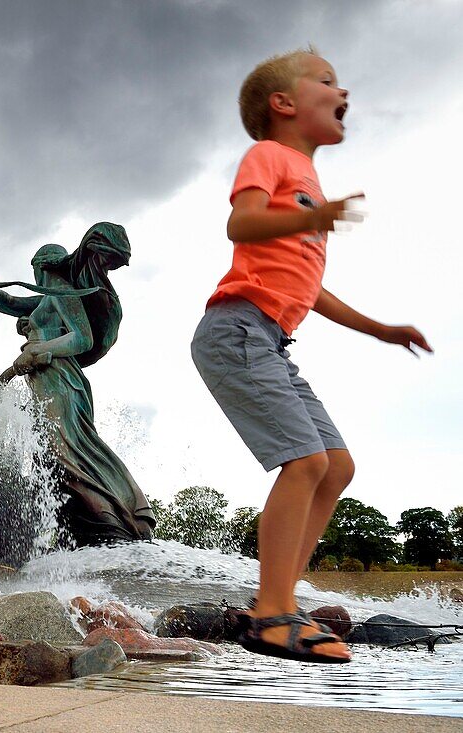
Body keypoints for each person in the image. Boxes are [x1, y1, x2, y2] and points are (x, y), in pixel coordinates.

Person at [190, 48, 432, 663]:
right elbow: (241, 225)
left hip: (270, 338)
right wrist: (316, 214)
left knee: (337, 465)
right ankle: (271, 616)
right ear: (284, 104)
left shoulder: (308, 181)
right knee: (304, 460)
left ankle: (279, 598)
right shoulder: (270, 157)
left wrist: (379, 329)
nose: (340, 89)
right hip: (236, 330)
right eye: (325, 79)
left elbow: (310, 290)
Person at [0, 222, 155, 544]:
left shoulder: (63, 290)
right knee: (51, 452)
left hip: (61, 379)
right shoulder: (49, 297)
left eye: (36, 270)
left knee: (64, 449)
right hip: (45, 377)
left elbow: (82, 339)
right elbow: (15, 305)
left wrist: (41, 350)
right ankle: (77, 527)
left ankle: (113, 518)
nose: (37, 279)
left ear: (44, 266)